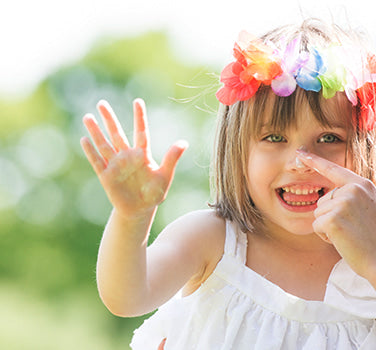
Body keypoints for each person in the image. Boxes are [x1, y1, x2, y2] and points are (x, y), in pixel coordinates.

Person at [80, 19, 376, 349]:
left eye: (329, 138)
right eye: (274, 137)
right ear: (237, 148)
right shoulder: (215, 240)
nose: (300, 161)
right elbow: (127, 296)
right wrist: (132, 217)